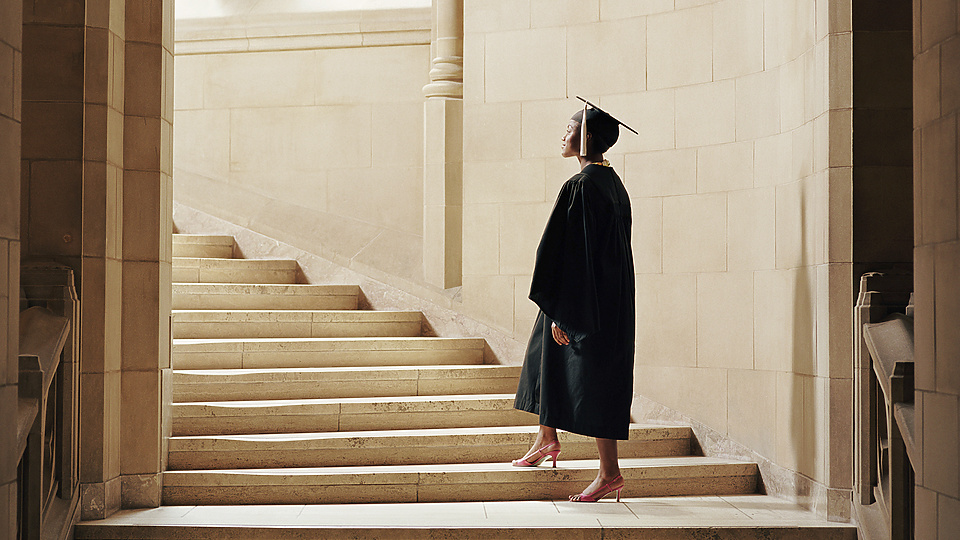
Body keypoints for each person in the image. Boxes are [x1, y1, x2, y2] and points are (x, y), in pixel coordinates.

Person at [512, 98, 636, 503]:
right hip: (610, 298)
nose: (563, 135)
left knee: (596, 379)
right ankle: (546, 437)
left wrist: (566, 312)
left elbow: (570, 254)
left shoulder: (580, 187)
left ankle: (609, 474)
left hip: (584, 300)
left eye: (568, 129)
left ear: (585, 137)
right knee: (542, 353)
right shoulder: (613, 184)